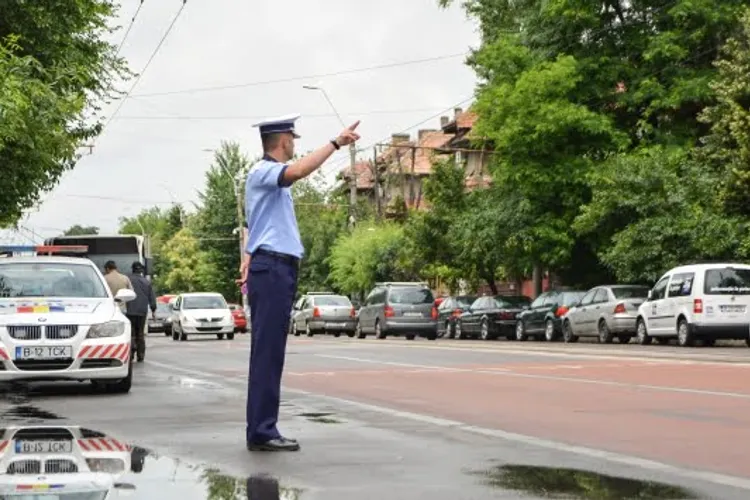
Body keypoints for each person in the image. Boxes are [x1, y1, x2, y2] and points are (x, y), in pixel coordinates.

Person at [243, 113, 360, 452]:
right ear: (281, 140)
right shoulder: (264, 171)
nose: (295, 143)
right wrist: (335, 143)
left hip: (276, 266)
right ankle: (262, 431)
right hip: (272, 268)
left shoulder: (266, 178)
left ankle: (263, 426)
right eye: (292, 138)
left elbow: (258, 223)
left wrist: (247, 252)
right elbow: (297, 171)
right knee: (267, 353)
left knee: (271, 352)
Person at [125, 261, 156, 363]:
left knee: (131, 333)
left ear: (132, 269)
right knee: (140, 333)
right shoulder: (146, 282)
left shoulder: (128, 280)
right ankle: (141, 355)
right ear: (141, 270)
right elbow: (152, 297)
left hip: (129, 311)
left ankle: (131, 353)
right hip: (142, 311)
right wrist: (153, 309)